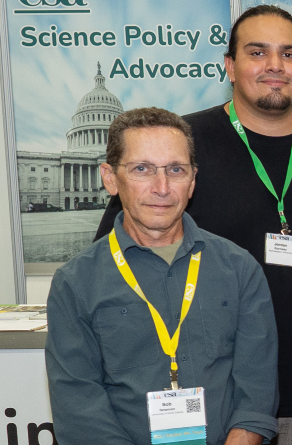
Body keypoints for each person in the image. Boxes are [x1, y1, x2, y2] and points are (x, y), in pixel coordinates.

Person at [91, 5, 292, 444]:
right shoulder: (181, 150)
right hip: (213, 404)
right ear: (230, 67)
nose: (275, 65)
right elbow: (115, 265)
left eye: (289, 55)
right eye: (258, 52)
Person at [47, 108, 279, 445]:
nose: (162, 187)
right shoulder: (75, 282)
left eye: (176, 170)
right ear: (110, 178)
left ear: (193, 181)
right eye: (142, 169)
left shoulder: (240, 269)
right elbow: (78, 403)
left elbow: (256, 388)